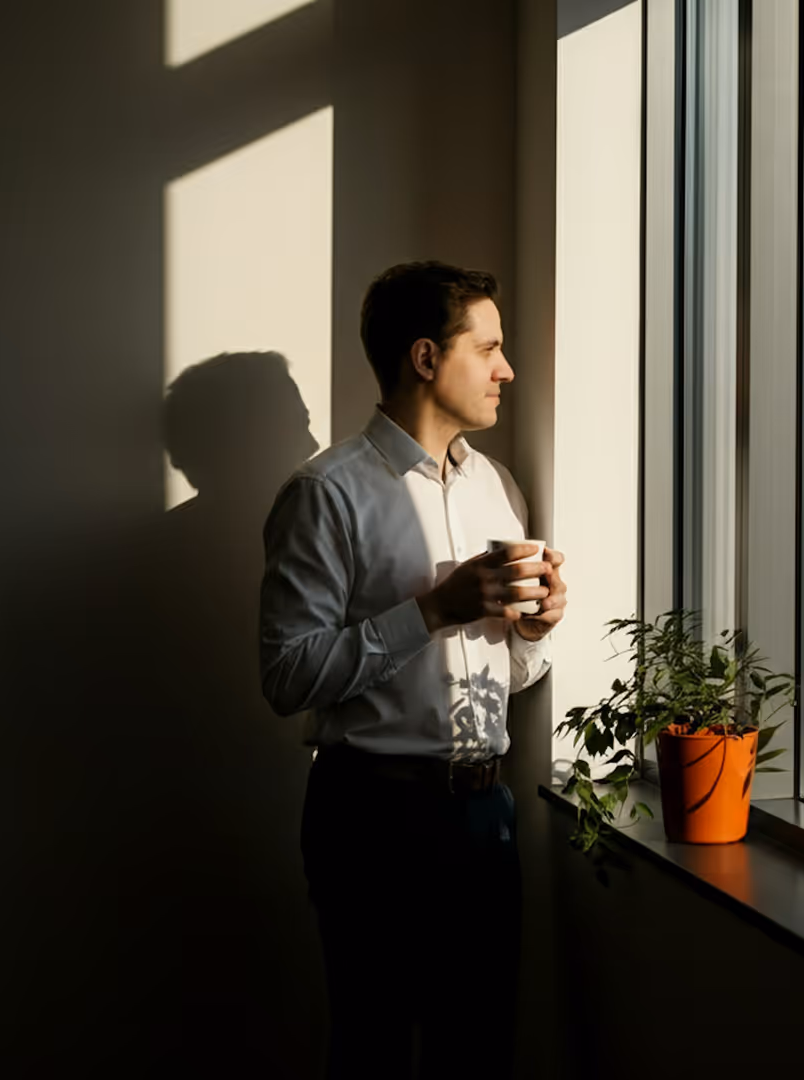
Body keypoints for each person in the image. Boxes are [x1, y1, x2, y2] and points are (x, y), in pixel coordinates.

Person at [259, 261, 568, 1079]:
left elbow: (517, 674)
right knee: (375, 1051)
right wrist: (433, 609)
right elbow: (287, 676)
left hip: (484, 815)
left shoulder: (497, 489)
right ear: (426, 358)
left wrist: (532, 630)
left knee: (479, 1052)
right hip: (371, 818)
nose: (508, 370)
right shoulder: (326, 495)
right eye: (490, 347)